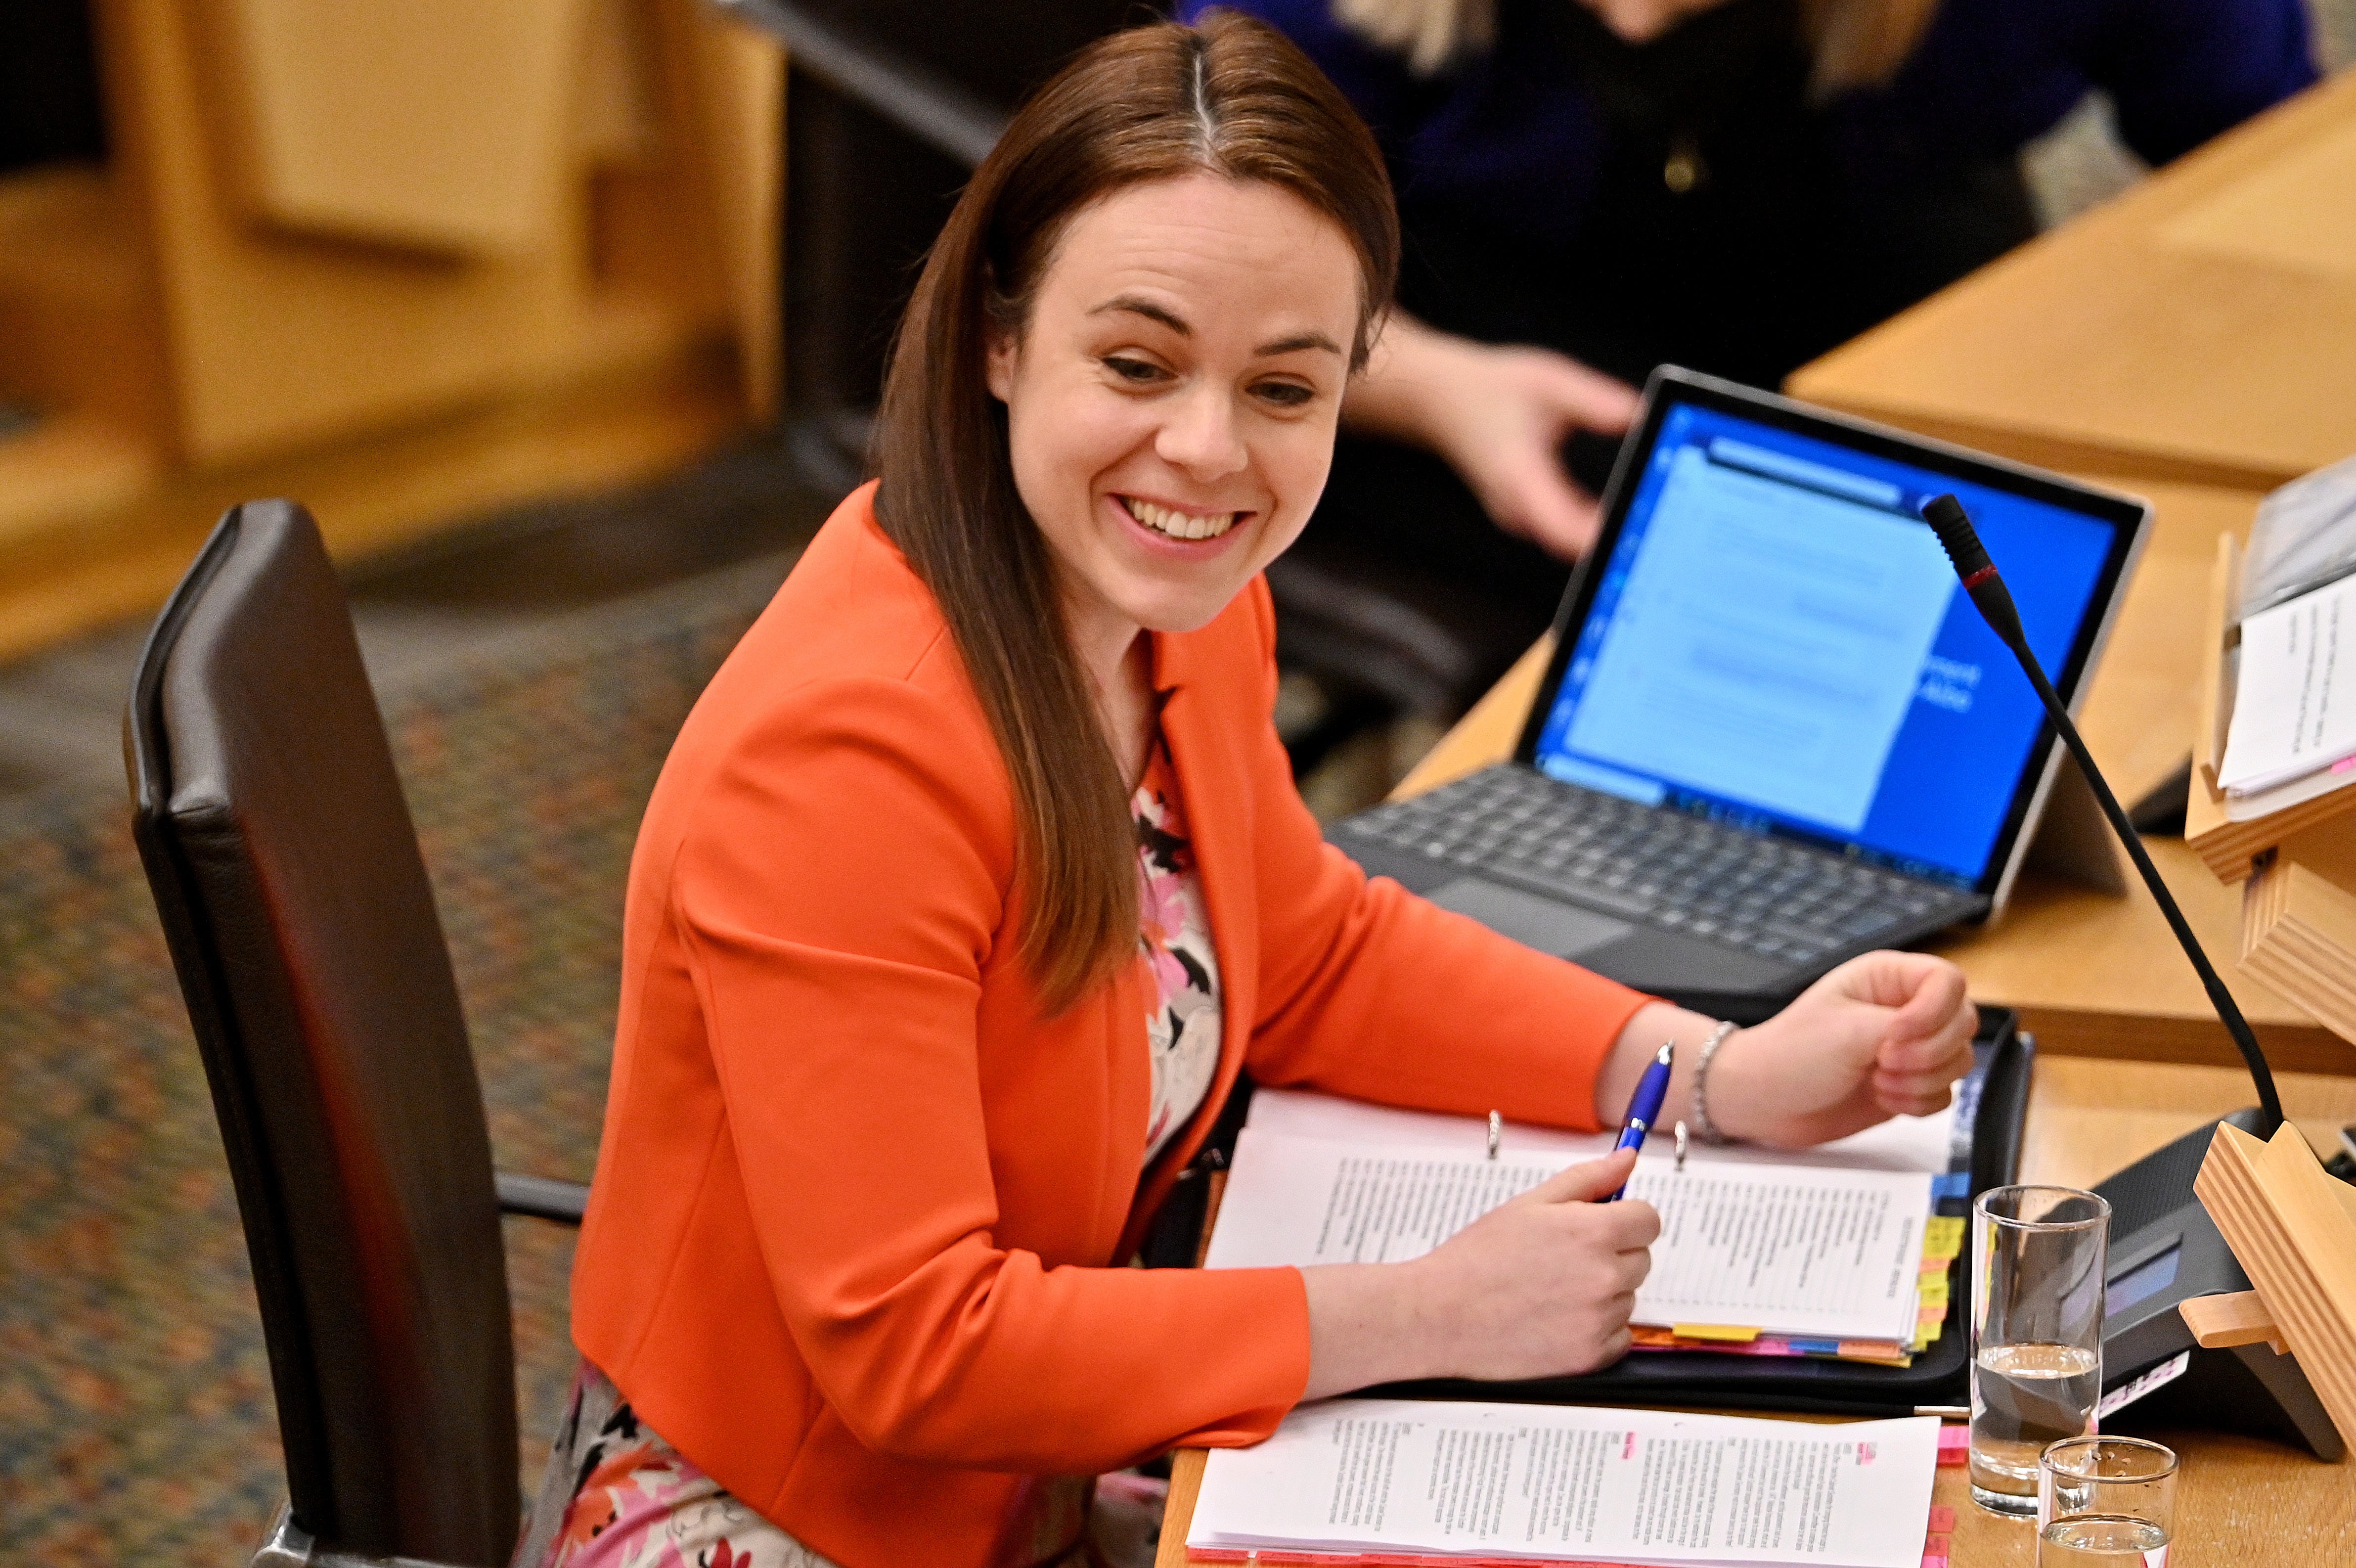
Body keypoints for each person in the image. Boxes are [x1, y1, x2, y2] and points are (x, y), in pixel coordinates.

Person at [520, 15, 1979, 1568]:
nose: (1207, 451)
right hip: (799, 1511)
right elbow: (915, 1350)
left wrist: (1709, 1074)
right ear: (999, 343)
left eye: (1282, 390)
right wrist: (1424, 1309)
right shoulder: (842, 763)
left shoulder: (1179, 604)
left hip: (1045, 1468)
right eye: (1136, 364)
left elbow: (1314, 950)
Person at [1189, 0, 2320, 650]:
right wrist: (1435, 389)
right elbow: (1202, 273)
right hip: (1432, 334)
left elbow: (2285, 158)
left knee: (2072, 593)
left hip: (1865, 264)